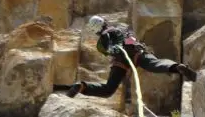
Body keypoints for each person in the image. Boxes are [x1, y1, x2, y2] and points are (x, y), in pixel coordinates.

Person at [64, 15, 197, 112]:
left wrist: (115, 48)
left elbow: (111, 46)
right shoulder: (119, 30)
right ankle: (176, 67)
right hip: (138, 53)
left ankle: (82, 86)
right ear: (104, 22)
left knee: (108, 89)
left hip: (121, 62)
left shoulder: (101, 43)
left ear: (95, 30)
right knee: (155, 64)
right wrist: (120, 46)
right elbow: (127, 39)